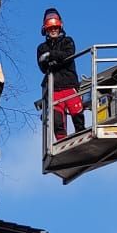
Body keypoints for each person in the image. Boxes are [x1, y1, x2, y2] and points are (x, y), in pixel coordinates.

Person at [38, 8, 88, 141]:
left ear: (60, 27)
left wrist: (51, 56)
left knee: (77, 115)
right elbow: (43, 66)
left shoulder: (67, 41)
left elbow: (68, 55)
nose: (53, 30)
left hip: (69, 84)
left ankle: (81, 137)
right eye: (50, 28)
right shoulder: (41, 48)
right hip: (54, 88)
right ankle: (61, 142)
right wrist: (55, 60)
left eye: (55, 27)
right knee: (57, 121)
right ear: (46, 30)